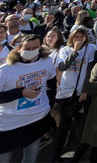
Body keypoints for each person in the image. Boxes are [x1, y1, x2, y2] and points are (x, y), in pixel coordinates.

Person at [0, 34, 56, 162]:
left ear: (40, 47)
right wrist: (21, 93)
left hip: (36, 119)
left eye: (35, 48)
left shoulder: (47, 61)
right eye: (27, 48)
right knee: (4, 158)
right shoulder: (5, 70)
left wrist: (48, 103)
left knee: (31, 156)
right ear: (19, 48)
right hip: (9, 124)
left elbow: (51, 84)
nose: (31, 51)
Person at [53, 28, 96, 161]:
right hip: (66, 93)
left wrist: (85, 90)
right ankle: (56, 154)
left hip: (80, 94)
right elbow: (62, 67)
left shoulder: (90, 48)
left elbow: (90, 70)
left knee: (80, 125)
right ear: (71, 37)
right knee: (63, 126)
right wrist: (75, 52)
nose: (79, 39)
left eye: (81, 37)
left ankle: (79, 153)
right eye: (76, 37)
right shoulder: (65, 50)